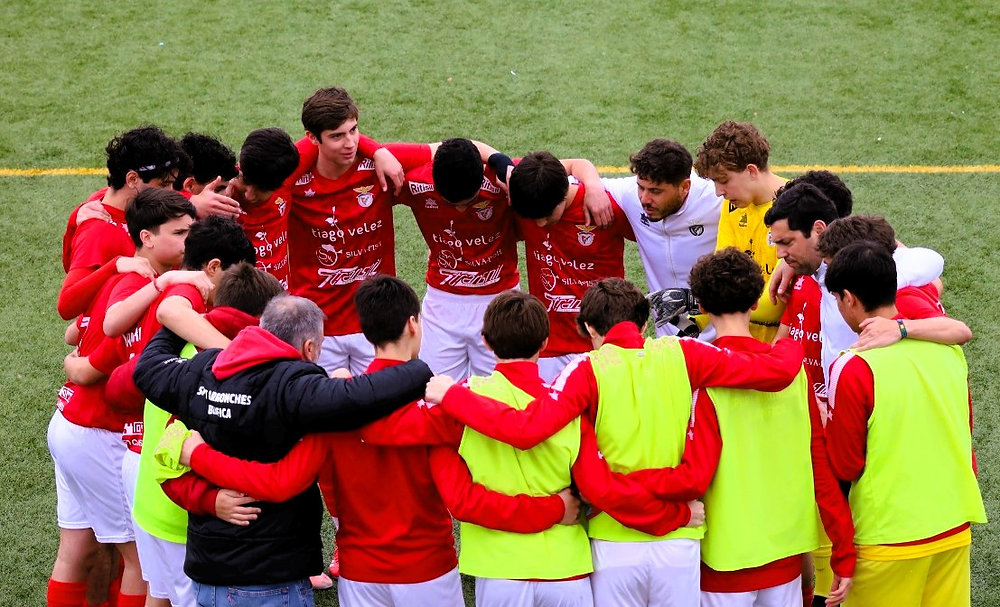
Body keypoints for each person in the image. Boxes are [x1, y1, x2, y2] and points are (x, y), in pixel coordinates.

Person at [425, 278, 807, 606]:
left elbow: (526, 431)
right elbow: (778, 371)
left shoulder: (584, 370)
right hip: (680, 544)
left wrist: (451, 395)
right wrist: (791, 337)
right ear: (643, 322)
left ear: (590, 328)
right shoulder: (684, 353)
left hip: (613, 542)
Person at [591, 249, 857, 606]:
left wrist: (603, 487)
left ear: (700, 304)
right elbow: (820, 468)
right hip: (785, 559)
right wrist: (843, 550)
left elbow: (694, 476)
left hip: (721, 566)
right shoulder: (795, 372)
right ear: (755, 300)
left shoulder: (696, 377)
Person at [133, 295, 434, 607]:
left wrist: (180, 314)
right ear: (309, 349)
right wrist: (421, 370)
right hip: (270, 577)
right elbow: (360, 398)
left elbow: (148, 365)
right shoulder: (294, 388)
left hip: (208, 575)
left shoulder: (197, 372)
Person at [47, 187, 199, 607]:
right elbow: (107, 368)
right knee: (141, 566)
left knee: (77, 549)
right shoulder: (150, 291)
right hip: (101, 432)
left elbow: (74, 332)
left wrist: (75, 364)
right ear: (147, 238)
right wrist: (80, 366)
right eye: (180, 232)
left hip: (71, 422)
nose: (190, 241)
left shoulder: (124, 277)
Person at [824, 241, 986, 607]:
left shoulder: (853, 367)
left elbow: (846, 464)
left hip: (887, 538)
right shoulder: (947, 349)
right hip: (953, 524)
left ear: (848, 298)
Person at [136, 263, 285, 607]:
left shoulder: (179, 348)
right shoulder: (226, 371)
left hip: (149, 504)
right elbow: (174, 452)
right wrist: (210, 501)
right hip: (182, 517)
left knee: (159, 596)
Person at [287, 86, 430, 376]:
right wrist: (374, 146)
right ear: (312, 138)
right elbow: (249, 173)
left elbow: (450, 152)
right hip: (317, 329)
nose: (350, 142)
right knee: (322, 418)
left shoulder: (381, 164)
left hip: (376, 325)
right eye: (337, 136)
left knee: (387, 413)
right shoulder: (292, 177)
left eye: (354, 131)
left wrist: (507, 168)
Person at [506, 151, 634, 381]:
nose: (540, 223)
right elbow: (536, 164)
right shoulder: (527, 191)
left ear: (564, 193)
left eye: (546, 215)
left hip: (603, 343)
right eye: (533, 218)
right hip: (549, 347)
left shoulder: (603, 208)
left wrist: (593, 185)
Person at [600, 139, 721, 336]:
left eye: (656, 191)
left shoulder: (715, 198)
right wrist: (591, 185)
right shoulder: (631, 194)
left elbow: (772, 196)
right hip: (667, 347)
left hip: (717, 342)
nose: (644, 199)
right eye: (641, 187)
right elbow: (564, 180)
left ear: (685, 187)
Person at [694, 121, 786, 342]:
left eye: (723, 181)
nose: (718, 192)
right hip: (745, 346)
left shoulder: (796, 208)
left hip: (788, 350)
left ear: (751, 171)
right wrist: (693, 317)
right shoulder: (733, 206)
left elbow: (776, 304)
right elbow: (723, 276)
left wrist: (707, 305)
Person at [227, 127, 302, 289]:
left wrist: (372, 152)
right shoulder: (221, 188)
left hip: (280, 299)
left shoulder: (285, 173)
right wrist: (196, 203)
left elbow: (323, 134)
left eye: (262, 189)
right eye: (245, 180)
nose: (249, 195)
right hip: (240, 300)